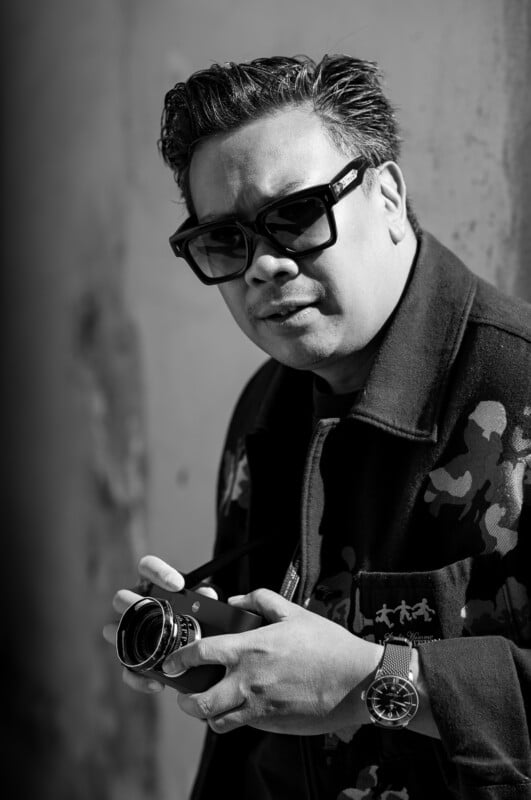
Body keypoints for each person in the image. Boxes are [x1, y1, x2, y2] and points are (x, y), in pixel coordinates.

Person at [104, 54, 531, 799]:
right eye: (225, 242)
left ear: (389, 196)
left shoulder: (521, 390)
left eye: (296, 214)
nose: (262, 266)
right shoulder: (267, 406)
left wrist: (376, 681)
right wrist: (215, 639)